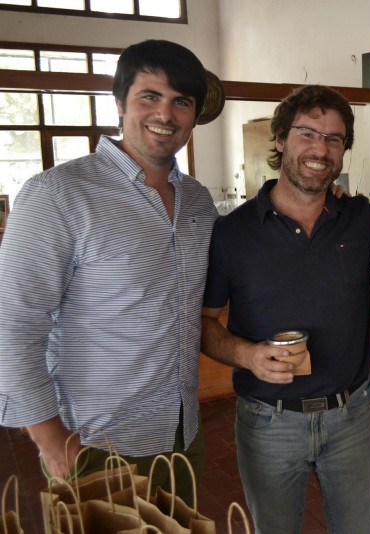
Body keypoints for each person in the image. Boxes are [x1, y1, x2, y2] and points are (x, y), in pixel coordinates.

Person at [0, 39, 216, 501]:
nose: (165, 114)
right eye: (149, 96)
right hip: (94, 443)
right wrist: (51, 440)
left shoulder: (199, 202)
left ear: (194, 116)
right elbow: (13, 326)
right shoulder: (57, 195)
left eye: (181, 101)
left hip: (182, 436)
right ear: (119, 103)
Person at [201, 84, 370, 534]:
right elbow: (204, 323)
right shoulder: (232, 233)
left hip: (353, 416)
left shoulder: (366, 222)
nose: (320, 149)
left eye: (334, 139)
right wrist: (248, 356)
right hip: (269, 421)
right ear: (280, 139)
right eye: (307, 134)